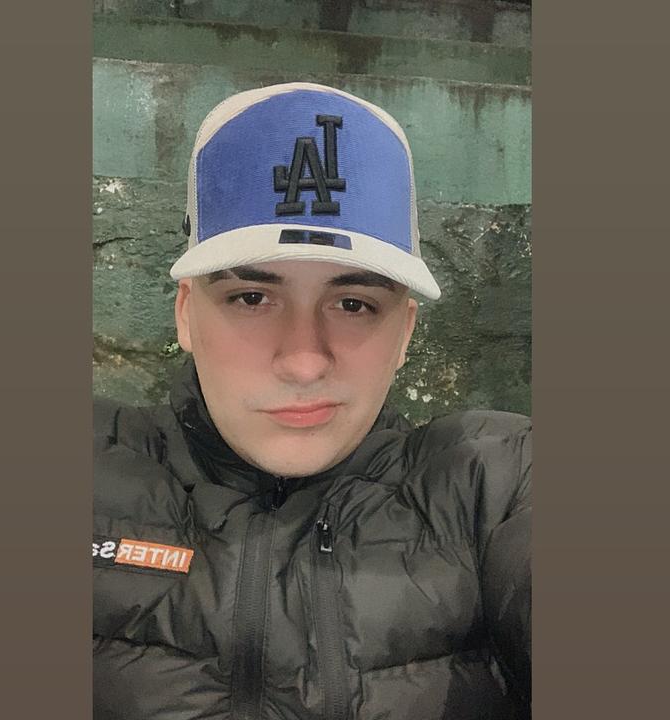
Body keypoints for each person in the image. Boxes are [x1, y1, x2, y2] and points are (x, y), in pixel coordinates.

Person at [93, 82, 531, 720]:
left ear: (405, 333)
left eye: (353, 304)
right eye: (251, 297)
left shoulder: (491, 483)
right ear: (186, 313)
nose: (304, 360)